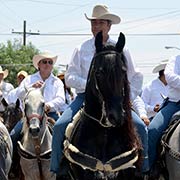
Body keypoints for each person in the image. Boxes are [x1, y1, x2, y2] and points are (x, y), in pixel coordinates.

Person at [50, 4, 149, 175]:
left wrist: (126, 99)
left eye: (100, 23)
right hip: (85, 99)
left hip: (114, 101)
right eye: (93, 23)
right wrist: (90, 85)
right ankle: (58, 169)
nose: (95, 27)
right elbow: (70, 77)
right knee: (60, 126)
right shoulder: (81, 49)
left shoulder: (121, 48)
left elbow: (137, 76)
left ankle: (144, 168)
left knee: (140, 126)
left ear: (109, 25)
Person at [10, 52, 66, 145]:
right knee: (12, 136)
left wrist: (48, 105)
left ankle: (60, 158)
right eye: (44, 62)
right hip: (30, 116)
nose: (47, 64)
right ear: (38, 64)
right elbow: (19, 94)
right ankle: (11, 159)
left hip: (51, 114)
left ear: (52, 66)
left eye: (50, 62)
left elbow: (61, 99)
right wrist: (32, 86)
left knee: (63, 138)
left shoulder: (57, 82)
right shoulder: (29, 79)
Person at [148, 55, 180, 171]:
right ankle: (150, 168)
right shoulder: (175, 59)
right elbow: (170, 77)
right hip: (175, 104)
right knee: (152, 130)